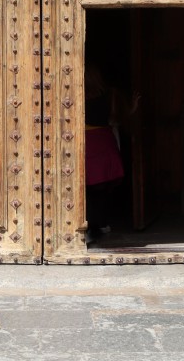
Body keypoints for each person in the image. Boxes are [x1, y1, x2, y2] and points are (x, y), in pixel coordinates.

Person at [84, 66, 124, 244]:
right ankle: (101, 223)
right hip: (103, 139)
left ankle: (87, 222)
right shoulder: (110, 94)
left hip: (86, 140)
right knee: (103, 186)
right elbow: (114, 118)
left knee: (86, 186)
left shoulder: (78, 93)